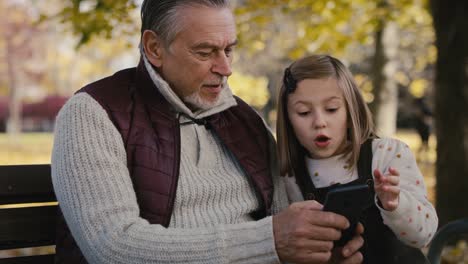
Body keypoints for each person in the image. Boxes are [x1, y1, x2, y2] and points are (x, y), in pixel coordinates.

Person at [51, 1, 365, 264]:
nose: (226, 67)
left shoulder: (245, 120)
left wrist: (319, 250)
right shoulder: (94, 113)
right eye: (205, 52)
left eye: (229, 49)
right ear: (155, 48)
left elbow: (284, 222)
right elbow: (113, 248)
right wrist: (268, 241)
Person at [276, 55, 438, 263]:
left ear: (350, 108)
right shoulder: (289, 178)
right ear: (288, 120)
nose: (320, 122)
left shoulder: (387, 154)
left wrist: (395, 204)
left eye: (332, 109)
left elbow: (423, 234)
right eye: (304, 112)